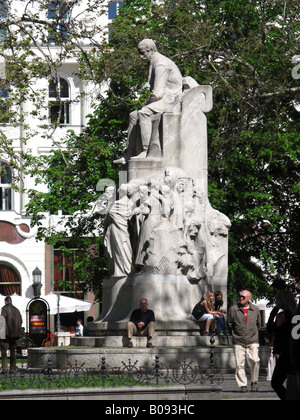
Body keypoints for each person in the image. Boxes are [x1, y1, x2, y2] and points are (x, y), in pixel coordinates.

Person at [114, 39, 183, 164]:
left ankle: (145, 151)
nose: (141, 57)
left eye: (142, 53)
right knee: (133, 115)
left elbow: (158, 93)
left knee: (144, 112)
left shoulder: (161, 64)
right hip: (164, 97)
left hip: (170, 99)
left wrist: (146, 103)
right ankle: (129, 153)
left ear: (150, 50)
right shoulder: (154, 62)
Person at [227, 290, 261, 393]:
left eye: (243, 297)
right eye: (240, 296)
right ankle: (243, 384)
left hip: (252, 339)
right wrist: (235, 334)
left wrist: (253, 333)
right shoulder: (233, 309)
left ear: (249, 298)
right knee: (239, 364)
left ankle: (254, 381)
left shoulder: (255, 309)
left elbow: (258, 324)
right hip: (238, 340)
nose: (241, 298)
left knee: (255, 360)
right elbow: (229, 324)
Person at [266, 289, 297, 400]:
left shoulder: (283, 316)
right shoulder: (295, 314)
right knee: (293, 382)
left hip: (286, 352)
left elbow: (270, 328)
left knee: (276, 383)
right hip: (294, 351)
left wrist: (274, 311)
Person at [0, 296, 23, 372]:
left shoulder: (4, 309)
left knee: (4, 351)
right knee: (13, 351)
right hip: (15, 334)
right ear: (11, 301)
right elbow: (21, 321)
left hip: (6, 334)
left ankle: (4, 368)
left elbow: (2, 321)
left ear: (5, 301)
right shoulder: (17, 310)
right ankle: (13, 368)